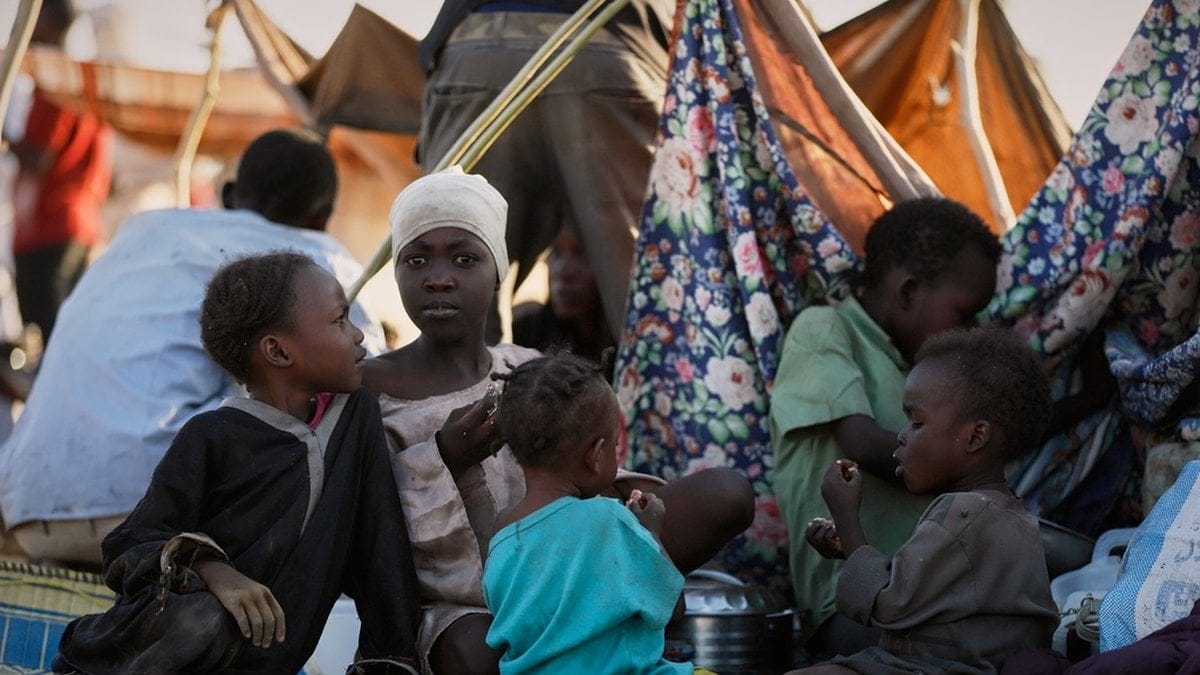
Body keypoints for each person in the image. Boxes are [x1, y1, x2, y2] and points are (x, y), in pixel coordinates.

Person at [364, 168, 754, 674]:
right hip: (464, 600)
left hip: (573, 563)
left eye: (464, 258)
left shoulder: (524, 366)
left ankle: (608, 607)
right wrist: (445, 459)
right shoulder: (369, 389)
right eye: (416, 260)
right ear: (395, 272)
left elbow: (587, 474)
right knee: (476, 651)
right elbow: (369, 523)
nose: (438, 277)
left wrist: (643, 536)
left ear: (497, 271)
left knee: (725, 493)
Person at [0, 128, 385, 566]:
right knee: (344, 405)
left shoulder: (142, 233)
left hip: (29, 507)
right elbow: (365, 370)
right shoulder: (312, 260)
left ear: (229, 195)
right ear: (323, 217)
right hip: (155, 511)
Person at [53, 252, 420, 674]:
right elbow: (129, 543)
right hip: (165, 650)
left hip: (261, 662)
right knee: (200, 618)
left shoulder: (355, 417)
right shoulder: (210, 436)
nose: (358, 335)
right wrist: (212, 569)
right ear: (278, 351)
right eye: (339, 320)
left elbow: (380, 543)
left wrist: (391, 657)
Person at [768, 197, 1002, 654]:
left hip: (928, 595)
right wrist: (970, 466)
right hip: (851, 606)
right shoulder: (824, 330)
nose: (972, 332)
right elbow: (859, 444)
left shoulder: (924, 368)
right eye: (965, 313)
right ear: (909, 291)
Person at [791, 327, 1059, 674]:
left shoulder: (963, 513)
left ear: (975, 437)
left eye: (917, 422)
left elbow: (887, 603)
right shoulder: (1009, 515)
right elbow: (922, 589)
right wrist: (848, 546)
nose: (902, 436)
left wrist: (846, 517)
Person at [417, 0, 673, 342]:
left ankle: (459, 374)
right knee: (644, 296)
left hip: (475, 45)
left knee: (459, 278)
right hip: (616, 44)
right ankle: (660, 371)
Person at [483, 353, 700, 673]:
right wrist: (651, 532)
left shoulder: (502, 533)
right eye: (614, 446)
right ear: (596, 455)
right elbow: (672, 608)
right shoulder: (609, 519)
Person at [7, 0, 113, 341]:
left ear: (49, 22)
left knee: (49, 337)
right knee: (67, 334)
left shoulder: (56, 87)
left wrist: (6, 139)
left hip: (50, 226)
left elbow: (40, 158)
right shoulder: (84, 85)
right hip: (78, 226)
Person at [511, 226, 614, 373]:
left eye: (581, 253)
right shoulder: (525, 337)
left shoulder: (629, 342)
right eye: (556, 253)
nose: (562, 270)